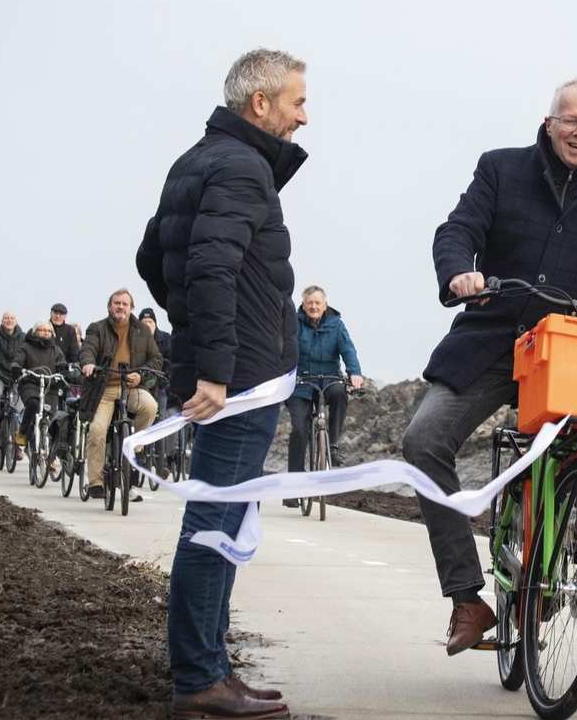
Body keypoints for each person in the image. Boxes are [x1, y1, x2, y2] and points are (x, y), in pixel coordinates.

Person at [404, 78, 577, 656]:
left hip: (572, 350)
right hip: (492, 340)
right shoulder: (500, 169)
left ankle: (558, 553)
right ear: (548, 123)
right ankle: (467, 598)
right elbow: (458, 230)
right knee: (423, 441)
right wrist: (459, 272)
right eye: (568, 120)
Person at [135, 47, 307, 719]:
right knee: (213, 522)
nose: (304, 114)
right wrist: (216, 364)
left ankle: (213, 669)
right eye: (296, 100)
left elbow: (156, 258)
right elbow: (207, 266)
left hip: (234, 373)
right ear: (259, 104)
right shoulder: (240, 167)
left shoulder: (199, 159)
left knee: (222, 518)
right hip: (240, 382)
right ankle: (200, 679)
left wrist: (200, 329)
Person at [281, 285, 363, 507]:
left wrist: (354, 373)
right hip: (300, 382)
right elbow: (284, 349)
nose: (314, 306)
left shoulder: (336, 324)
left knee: (339, 393)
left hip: (328, 378)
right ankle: (292, 489)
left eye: (318, 303)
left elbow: (348, 350)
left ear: (325, 304)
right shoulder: (294, 324)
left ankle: (333, 445)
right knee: (299, 430)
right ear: (304, 304)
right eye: (310, 303)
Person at [79, 289, 162, 502]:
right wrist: (88, 363)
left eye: (125, 304)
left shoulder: (142, 330)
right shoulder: (97, 328)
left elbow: (156, 359)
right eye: (117, 303)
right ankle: (96, 481)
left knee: (151, 406)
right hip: (104, 389)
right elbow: (88, 348)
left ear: (131, 308)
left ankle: (135, 447)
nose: (120, 307)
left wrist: (140, 376)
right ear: (110, 306)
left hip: (131, 388)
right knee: (97, 430)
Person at [16, 322, 68, 472]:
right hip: (30, 384)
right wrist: (17, 368)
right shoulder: (26, 347)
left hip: (49, 387)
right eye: (42, 330)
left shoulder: (56, 349)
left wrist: (64, 372)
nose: (45, 333)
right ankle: (23, 433)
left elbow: (62, 364)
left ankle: (49, 454)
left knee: (50, 420)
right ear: (35, 331)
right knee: (32, 404)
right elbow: (18, 361)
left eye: (48, 331)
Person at [140, 306, 175, 478]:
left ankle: (161, 462)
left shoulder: (165, 339)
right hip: (141, 384)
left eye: (150, 321)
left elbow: (171, 359)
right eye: (144, 322)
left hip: (160, 384)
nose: (147, 324)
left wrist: (165, 375)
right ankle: (140, 457)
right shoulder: (135, 338)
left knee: (160, 420)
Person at [0, 311, 26, 436]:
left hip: (16, 376)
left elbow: (25, 354)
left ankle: (18, 442)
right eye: (6, 318)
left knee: (20, 403)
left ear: (16, 321)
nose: (9, 320)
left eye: (12, 318)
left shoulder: (23, 337)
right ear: (2, 321)